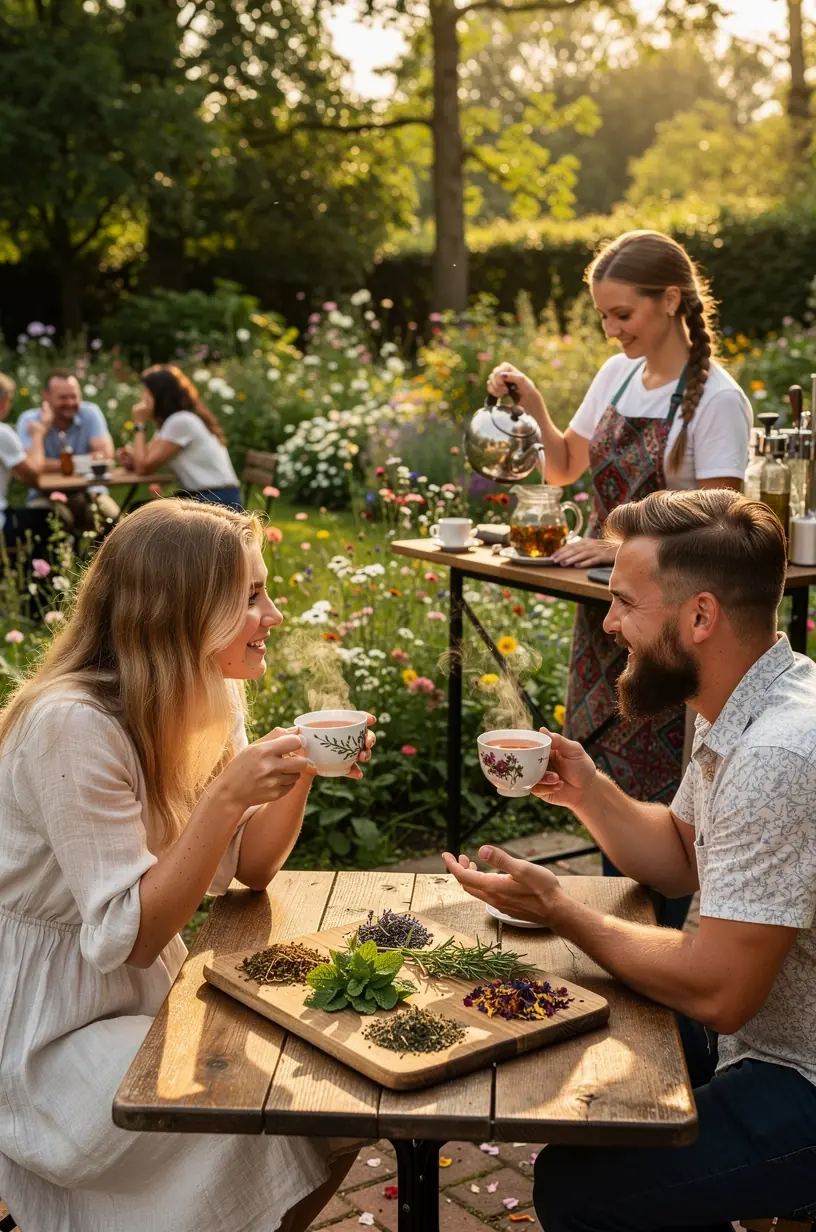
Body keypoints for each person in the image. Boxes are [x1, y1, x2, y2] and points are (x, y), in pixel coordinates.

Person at [443, 488, 816, 1232]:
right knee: (619, 1039)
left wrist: (561, 910)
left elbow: (719, 991)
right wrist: (589, 791)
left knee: (582, 1189)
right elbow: (681, 858)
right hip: (753, 1037)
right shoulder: (750, 699)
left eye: (623, 603)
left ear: (700, 616)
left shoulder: (778, 753)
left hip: (800, 1077)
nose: (610, 626)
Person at [0, 498, 376, 1232]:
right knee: (256, 1110)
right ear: (184, 613)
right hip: (42, 1024)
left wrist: (297, 772)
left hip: (133, 992)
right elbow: (128, 934)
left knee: (331, 1100)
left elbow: (252, 869)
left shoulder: (209, 692)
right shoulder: (71, 724)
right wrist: (224, 800)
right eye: (252, 598)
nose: (272, 614)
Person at [487, 230, 752, 923]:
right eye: (603, 316)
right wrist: (536, 408)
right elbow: (564, 466)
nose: (612, 329)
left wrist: (619, 548)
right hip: (609, 613)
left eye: (623, 314)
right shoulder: (617, 374)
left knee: (667, 800)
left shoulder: (718, 400)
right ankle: (624, 939)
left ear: (671, 300)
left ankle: (674, 946)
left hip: (671, 628)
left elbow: (726, 529)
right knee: (600, 782)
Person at [118, 365, 242, 510]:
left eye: (145, 392)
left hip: (218, 500)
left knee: (140, 511)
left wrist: (139, 424)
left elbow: (143, 467)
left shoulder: (180, 421)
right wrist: (133, 459)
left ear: (158, 396)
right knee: (140, 509)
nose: (141, 397)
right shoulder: (173, 423)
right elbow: (146, 462)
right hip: (204, 496)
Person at [17, 369, 119, 533]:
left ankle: (98, 558)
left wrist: (61, 464)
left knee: (115, 521)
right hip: (45, 496)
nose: (70, 402)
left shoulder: (90, 413)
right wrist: (41, 432)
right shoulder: (30, 420)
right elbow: (31, 466)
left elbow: (105, 456)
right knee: (51, 524)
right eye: (63, 398)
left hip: (90, 492)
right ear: (46, 397)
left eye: (74, 396)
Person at [0, 371, 50, 548]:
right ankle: (43, 574)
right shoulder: (2, 432)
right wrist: (38, 435)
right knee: (48, 522)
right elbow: (34, 474)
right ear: (3, 403)